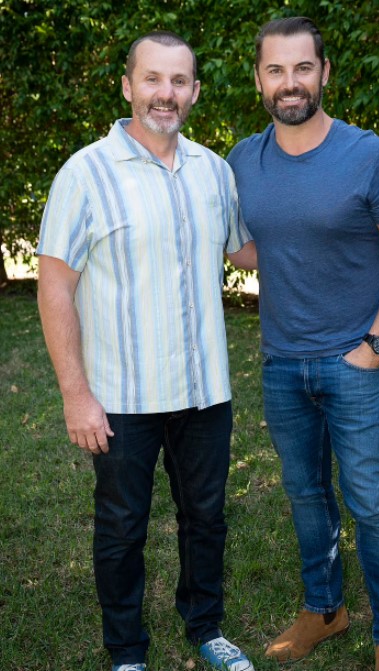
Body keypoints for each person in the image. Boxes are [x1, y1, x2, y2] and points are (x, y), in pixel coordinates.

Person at [37, 30, 257, 671]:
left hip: (204, 389)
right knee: (122, 528)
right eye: (153, 79)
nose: (167, 93)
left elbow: (244, 250)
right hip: (122, 397)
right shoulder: (84, 173)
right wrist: (76, 396)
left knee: (207, 518)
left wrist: (329, 251)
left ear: (194, 91)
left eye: (179, 81)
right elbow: (55, 287)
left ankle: (205, 627)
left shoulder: (213, 171)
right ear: (129, 86)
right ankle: (128, 653)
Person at [227, 17, 379, 671]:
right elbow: (256, 249)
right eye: (275, 69)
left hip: (355, 361)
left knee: (371, 501)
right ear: (258, 78)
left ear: (324, 73)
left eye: (302, 67)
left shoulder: (372, 157)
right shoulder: (241, 161)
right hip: (282, 360)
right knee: (306, 494)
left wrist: (374, 344)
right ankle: (324, 608)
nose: (290, 82)